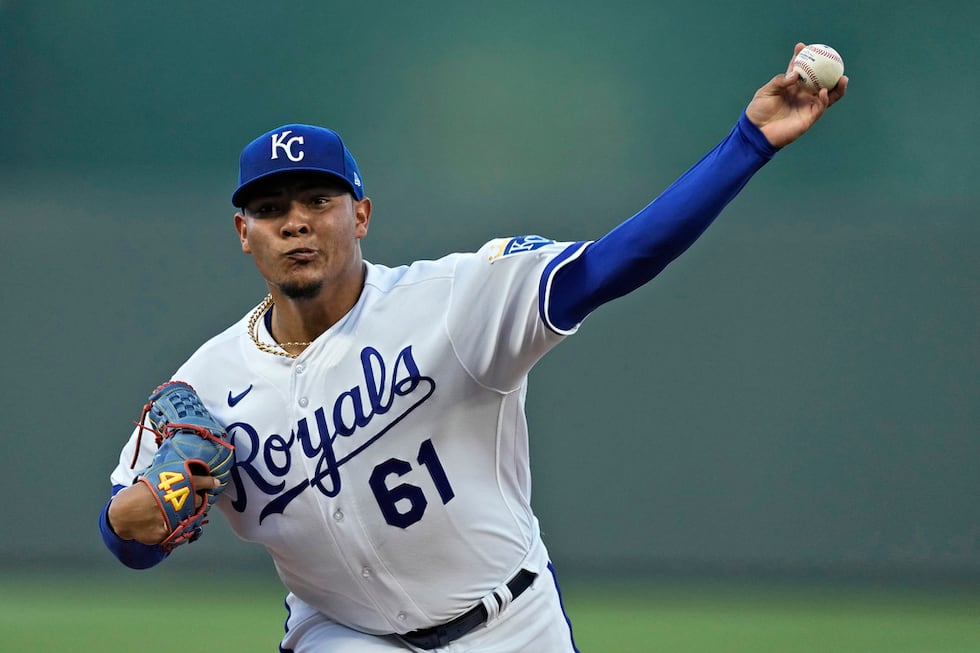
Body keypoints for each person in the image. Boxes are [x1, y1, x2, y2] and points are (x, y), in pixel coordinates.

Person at [99, 43, 847, 652]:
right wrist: (138, 519)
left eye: (317, 200)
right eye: (270, 208)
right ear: (244, 234)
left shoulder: (454, 300)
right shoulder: (205, 383)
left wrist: (748, 144)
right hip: (344, 635)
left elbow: (616, 263)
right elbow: (128, 533)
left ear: (360, 213)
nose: (295, 221)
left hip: (512, 624)